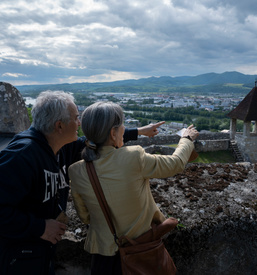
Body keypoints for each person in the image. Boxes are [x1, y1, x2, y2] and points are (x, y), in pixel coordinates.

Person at [0, 90, 165, 275]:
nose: (80, 123)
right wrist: (41, 227)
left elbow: (99, 140)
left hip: (37, 253)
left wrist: (138, 131)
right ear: (60, 126)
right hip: (16, 258)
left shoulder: (59, 147)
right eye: (76, 118)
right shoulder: (22, 155)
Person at [68, 101, 199, 275]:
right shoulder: (133, 157)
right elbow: (175, 164)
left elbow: (85, 217)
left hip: (103, 258)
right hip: (140, 252)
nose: (124, 128)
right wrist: (187, 139)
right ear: (113, 133)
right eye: (122, 125)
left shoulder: (76, 170)